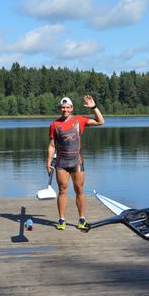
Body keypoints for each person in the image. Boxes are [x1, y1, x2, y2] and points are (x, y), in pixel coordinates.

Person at [47, 95, 105, 230]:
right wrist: (48, 162)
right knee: (62, 190)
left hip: (76, 161)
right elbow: (51, 145)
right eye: (63, 107)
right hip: (61, 162)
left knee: (79, 189)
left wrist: (94, 108)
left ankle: (82, 219)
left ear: (72, 108)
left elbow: (101, 121)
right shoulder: (54, 125)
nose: (65, 110)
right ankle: (61, 220)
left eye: (67, 107)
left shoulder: (79, 120)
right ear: (60, 109)